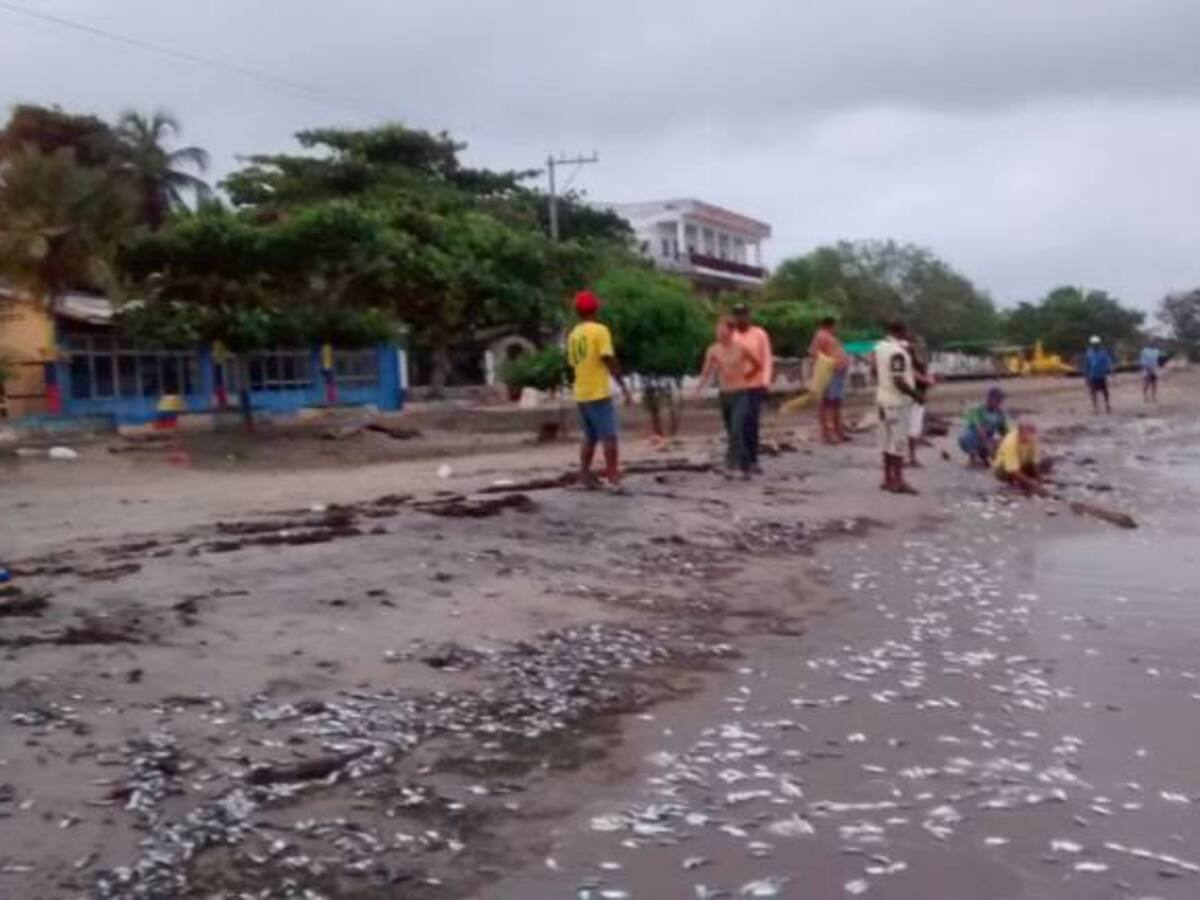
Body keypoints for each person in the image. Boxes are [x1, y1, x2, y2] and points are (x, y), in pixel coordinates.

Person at [566, 290, 633, 490]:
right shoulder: (599, 331)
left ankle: (585, 475)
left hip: (581, 393)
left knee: (590, 437)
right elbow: (608, 358)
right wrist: (623, 386)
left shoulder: (573, 334)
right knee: (609, 436)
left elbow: (572, 364)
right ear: (595, 309)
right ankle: (613, 478)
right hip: (598, 392)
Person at [694, 315, 762, 477]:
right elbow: (706, 372)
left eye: (722, 329)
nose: (719, 332)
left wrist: (747, 377)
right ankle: (747, 464)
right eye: (717, 329)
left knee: (737, 429)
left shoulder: (741, 348)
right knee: (732, 431)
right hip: (724, 395)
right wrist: (698, 389)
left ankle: (731, 465)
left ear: (731, 331)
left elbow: (757, 365)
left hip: (740, 393)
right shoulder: (713, 349)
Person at [874, 321, 921, 494]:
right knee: (898, 442)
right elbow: (898, 380)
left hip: (882, 399)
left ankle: (887, 479)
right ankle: (899, 480)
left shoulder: (879, 347)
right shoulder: (898, 353)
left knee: (886, 441)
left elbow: (875, 371)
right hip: (897, 402)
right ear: (901, 332)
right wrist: (916, 395)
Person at [732, 303, 774, 473]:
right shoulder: (731, 336)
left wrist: (765, 382)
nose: (741, 318)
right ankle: (740, 459)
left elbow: (766, 359)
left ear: (749, 316)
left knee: (751, 423)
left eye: (744, 315)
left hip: (754, 385)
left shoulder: (759, 334)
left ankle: (753, 459)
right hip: (735, 387)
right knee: (737, 424)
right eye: (737, 315)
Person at [808, 316, 851, 444]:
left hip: (838, 373)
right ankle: (826, 434)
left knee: (836, 403)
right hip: (830, 373)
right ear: (830, 325)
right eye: (836, 325)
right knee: (827, 403)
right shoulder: (821, 336)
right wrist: (828, 363)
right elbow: (813, 352)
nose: (837, 328)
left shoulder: (831, 337)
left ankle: (839, 431)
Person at [958, 386, 1009, 466]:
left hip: (987, 438)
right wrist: (989, 447)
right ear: (989, 399)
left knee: (1003, 441)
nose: (1000, 402)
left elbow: (1005, 431)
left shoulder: (1000, 413)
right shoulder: (978, 409)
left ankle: (984, 456)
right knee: (967, 437)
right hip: (974, 438)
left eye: (1001, 400)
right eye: (998, 400)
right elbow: (980, 429)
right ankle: (973, 458)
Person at [993, 421, 1045, 495]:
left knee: (1045, 462)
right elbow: (1012, 470)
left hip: (1021, 464)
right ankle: (1016, 481)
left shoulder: (1032, 439)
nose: (1032, 436)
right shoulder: (1010, 442)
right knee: (1008, 471)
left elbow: (1034, 461)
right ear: (1020, 433)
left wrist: (1039, 478)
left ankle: (1024, 480)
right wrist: (1032, 483)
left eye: (1033, 432)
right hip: (1003, 468)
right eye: (1029, 433)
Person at [906, 337, 934, 467]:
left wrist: (928, 379)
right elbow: (912, 372)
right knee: (911, 428)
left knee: (913, 429)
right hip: (913, 396)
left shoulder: (919, 359)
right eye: (919, 344)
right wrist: (926, 380)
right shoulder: (909, 358)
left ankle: (911, 457)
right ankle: (910, 457)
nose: (921, 346)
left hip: (919, 395)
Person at [1084, 336, 1115, 414]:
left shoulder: (1103, 352)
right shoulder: (1089, 352)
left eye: (1096, 344)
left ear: (1099, 344)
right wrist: (1086, 377)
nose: (1095, 345)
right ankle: (1095, 408)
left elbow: (1108, 362)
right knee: (1093, 392)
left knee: (1105, 392)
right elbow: (1087, 365)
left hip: (1101, 375)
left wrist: (1111, 371)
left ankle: (1107, 405)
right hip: (1092, 375)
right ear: (1091, 344)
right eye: (1094, 344)